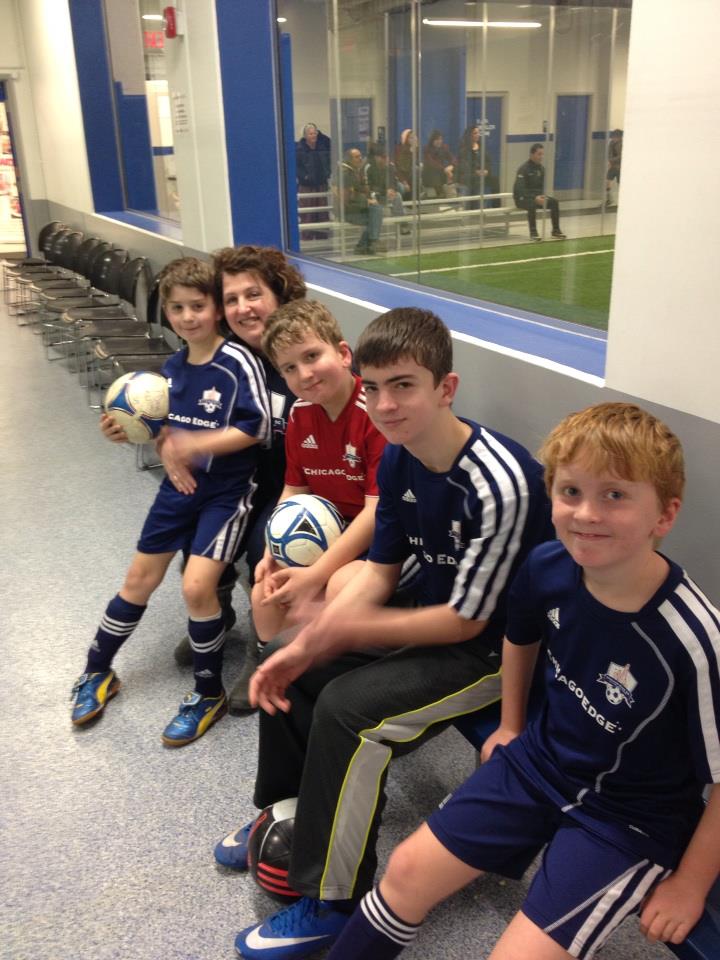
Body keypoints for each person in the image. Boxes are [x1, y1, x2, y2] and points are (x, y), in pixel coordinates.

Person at [326, 401, 720, 960]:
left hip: (626, 819)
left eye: (615, 495)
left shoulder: (695, 641)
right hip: (539, 761)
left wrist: (691, 884)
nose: (585, 514)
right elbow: (520, 639)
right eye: (570, 492)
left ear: (665, 514)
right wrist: (511, 724)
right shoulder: (547, 566)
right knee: (407, 870)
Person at [221, 307, 553, 959]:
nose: (384, 403)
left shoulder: (500, 481)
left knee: (352, 711)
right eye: (373, 387)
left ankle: (333, 901)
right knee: (294, 661)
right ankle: (288, 815)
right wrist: (313, 639)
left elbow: (470, 620)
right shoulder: (400, 459)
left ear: (444, 389)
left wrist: (344, 628)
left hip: (493, 650)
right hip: (428, 614)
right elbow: (380, 571)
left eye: (404, 384)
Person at [70, 257, 271, 746]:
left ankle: (207, 693)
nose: (187, 317)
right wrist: (136, 435)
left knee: (197, 588)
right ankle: (97, 671)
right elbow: (160, 427)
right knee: (139, 578)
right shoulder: (170, 370)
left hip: (226, 495)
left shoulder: (238, 362)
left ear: (215, 311)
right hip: (176, 491)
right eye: (177, 307)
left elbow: (257, 426)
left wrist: (194, 446)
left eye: (197, 306)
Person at [172, 245, 307, 713]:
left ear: (279, 294)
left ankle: (264, 645)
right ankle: (219, 612)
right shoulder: (216, 358)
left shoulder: (301, 352)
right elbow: (176, 418)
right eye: (231, 299)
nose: (243, 307)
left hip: (296, 488)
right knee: (192, 533)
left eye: (254, 294)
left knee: (260, 547)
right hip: (235, 484)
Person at [248, 298, 387, 650]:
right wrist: (273, 546)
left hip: (375, 540)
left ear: (343, 353)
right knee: (264, 590)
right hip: (324, 530)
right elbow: (293, 489)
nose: (304, 374)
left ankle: (318, 675)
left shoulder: (374, 414)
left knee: (338, 586)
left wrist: (316, 575)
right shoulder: (299, 414)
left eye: (311, 356)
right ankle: (269, 665)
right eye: (289, 368)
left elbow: (376, 513)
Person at [514, 143, 566, 241]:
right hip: (522, 199)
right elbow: (519, 189)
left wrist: (541, 196)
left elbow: (540, 188)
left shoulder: (541, 169)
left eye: (542, 154)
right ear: (532, 154)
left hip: (537, 197)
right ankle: (533, 233)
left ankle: (556, 230)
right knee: (531, 204)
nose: (541, 157)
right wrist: (534, 198)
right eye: (539, 154)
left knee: (554, 202)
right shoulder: (523, 169)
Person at [338, 147, 385, 255]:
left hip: (358, 208)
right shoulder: (345, 173)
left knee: (375, 215)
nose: (360, 159)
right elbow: (348, 197)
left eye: (360, 156)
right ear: (349, 159)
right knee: (376, 213)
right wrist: (367, 201)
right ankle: (372, 241)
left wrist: (369, 196)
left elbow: (363, 189)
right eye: (356, 157)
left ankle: (363, 245)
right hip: (349, 211)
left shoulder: (357, 171)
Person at [365, 142, 411, 235]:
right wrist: (384, 191)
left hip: (386, 192)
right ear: (376, 158)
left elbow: (392, 180)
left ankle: (402, 224)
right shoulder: (369, 168)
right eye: (383, 157)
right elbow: (368, 187)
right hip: (374, 194)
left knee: (397, 195)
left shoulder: (390, 166)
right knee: (396, 193)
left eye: (387, 156)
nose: (386, 159)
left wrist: (391, 189)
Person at [296, 122, 331, 240]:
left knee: (322, 213)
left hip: (321, 184)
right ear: (305, 136)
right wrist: (304, 177)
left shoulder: (322, 146)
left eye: (315, 133)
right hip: (306, 186)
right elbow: (296, 167)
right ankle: (307, 237)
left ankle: (323, 236)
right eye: (311, 134)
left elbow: (329, 144)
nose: (314, 136)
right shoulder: (299, 149)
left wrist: (327, 173)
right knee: (307, 215)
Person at [457, 123, 500, 208]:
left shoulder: (481, 147)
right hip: (471, 176)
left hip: (482, 174)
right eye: (475, 133)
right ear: (469, 135)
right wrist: (476, 172)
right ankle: (474, 207)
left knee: (495, 180)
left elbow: (488, 161)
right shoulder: (464, 149)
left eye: (478, 133)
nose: (477, 135)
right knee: (474, 182)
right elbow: (464, 166)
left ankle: (496, 207)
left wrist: (486, 170)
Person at [422, 129, 456, 198]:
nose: (439, 141)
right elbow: (432, 163)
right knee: (436, 174)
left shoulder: (444, 147)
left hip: (441, 174)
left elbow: (453, 159)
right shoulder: (427, 149)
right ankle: (442, 194)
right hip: (430, 175)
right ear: (432, 140)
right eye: (437, 139)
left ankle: (451, 197)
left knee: (450, 173)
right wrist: (444, 169)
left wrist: (451, 166)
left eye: (440, 139)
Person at [393, 128, 418, 199]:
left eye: (414, 137)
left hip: (410, 177)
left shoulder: (414, 149)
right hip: (401, 177)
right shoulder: (400, 150)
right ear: (405, 139)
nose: (413, 140)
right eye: (410, 138)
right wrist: (404, 182)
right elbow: (398, 168)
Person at [606, 128, 623, 208]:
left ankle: (621, 200)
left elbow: (621, 156)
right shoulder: (611, 143)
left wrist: (611, 160)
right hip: (612, 166)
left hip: (619, 167)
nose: (613, 138)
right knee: (607, 181)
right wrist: (609, 160)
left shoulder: (622, 144)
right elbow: (609, 153)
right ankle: (608, 198)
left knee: (620, 183)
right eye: (613, 137)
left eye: (615, 137)